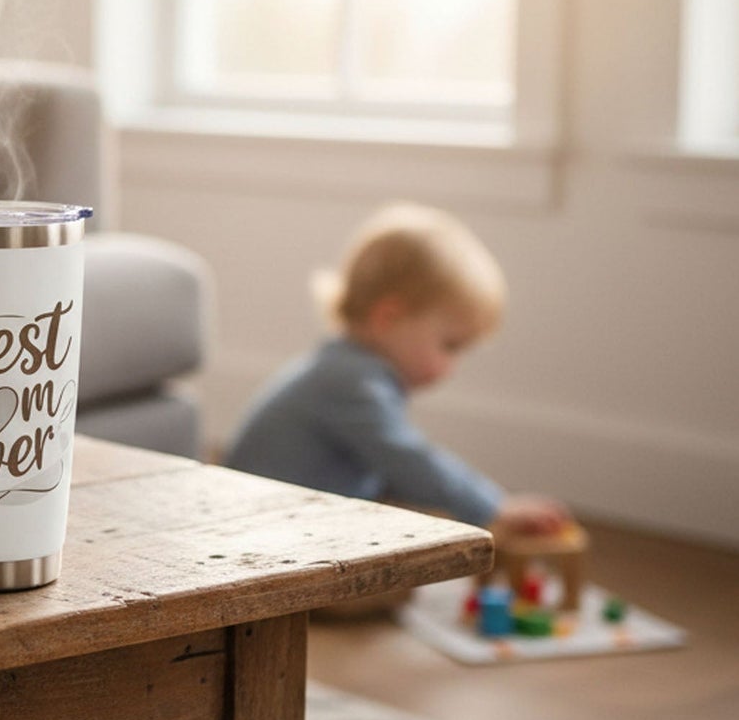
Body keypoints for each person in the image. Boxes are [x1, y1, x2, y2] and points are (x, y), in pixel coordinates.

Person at [227, 203, 571, 543]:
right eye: (449, 346)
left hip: (286, 517)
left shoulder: (346, 367)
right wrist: (495, 506)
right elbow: (410, 461)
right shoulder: (349, 381)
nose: (452, 367)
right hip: (263, 534)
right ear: (387, 319)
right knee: (408, 565)